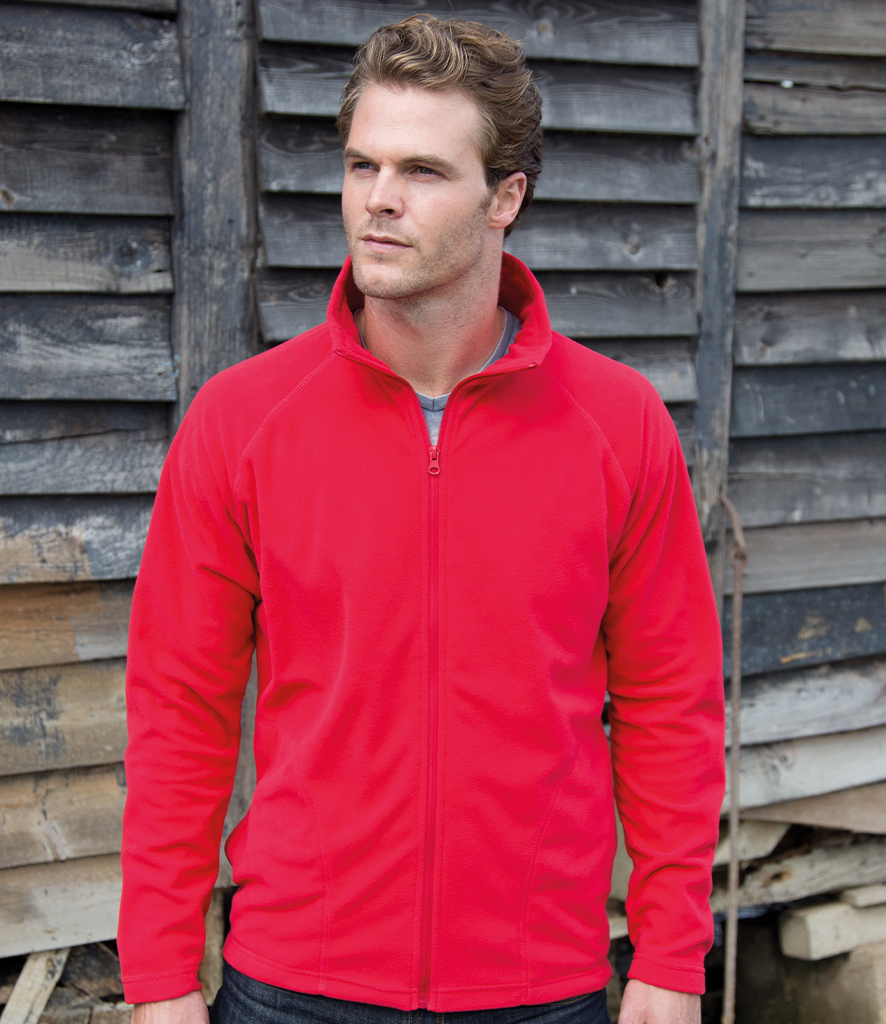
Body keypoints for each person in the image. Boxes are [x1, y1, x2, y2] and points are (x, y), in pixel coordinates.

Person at [118, 15, 725, 1024]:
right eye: (363, 164)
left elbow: (671, 704)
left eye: (423, 171)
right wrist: (159, 976)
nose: (379, 199)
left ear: (504, 198)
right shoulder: (241, 422)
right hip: (296, 984)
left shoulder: (618, 425)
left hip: (540, 985)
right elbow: (180, 708)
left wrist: (670, 957)